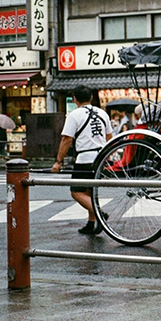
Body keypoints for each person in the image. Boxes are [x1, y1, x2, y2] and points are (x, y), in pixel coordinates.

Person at [51, 86, 112, 235]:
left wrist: (58, 161)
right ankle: (91, 224)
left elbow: (66, 139)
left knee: (76, 192)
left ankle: (99, 214)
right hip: (101, 156)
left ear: (75, 99)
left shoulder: (74, 115)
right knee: (89, 191)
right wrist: (108, 157)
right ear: (91, 98)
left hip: (85, 158)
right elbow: (109, 137)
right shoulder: (102, 113)